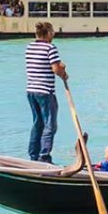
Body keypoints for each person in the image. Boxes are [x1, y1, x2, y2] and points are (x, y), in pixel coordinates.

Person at [26, 22, 67, 163]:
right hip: (45, 91)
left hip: (31, 91)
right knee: (50, 125)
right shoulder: (50, 48)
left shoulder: (29, 47)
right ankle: (44, 157)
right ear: (49, 33)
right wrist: (63, 73)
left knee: (38, 123)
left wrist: (59, 66)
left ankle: (33, 155)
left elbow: (42, 64)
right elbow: (55, 69)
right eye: (52, 32)